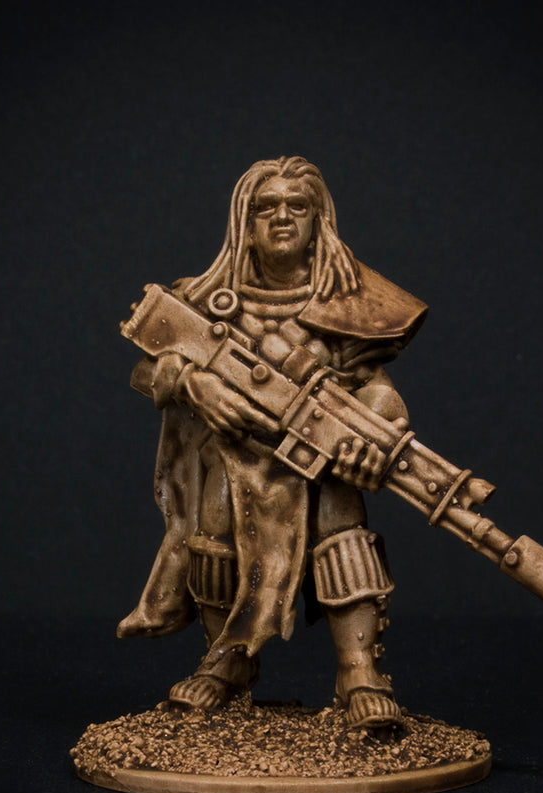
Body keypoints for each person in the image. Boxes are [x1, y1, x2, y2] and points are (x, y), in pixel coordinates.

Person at [117, 157, 427, 729]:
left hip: (321, 456)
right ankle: (227, 660)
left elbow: (377, 387)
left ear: (318, 219)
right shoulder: (205, 298)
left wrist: (379, 428)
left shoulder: (350, 303)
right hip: (236, 456)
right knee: (217, 538)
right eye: (266, 206)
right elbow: (147, 368)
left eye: (297, 205)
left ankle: (359, 669)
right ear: (245, 220)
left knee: (342, 534)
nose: (282, 216)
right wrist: (193, 384)